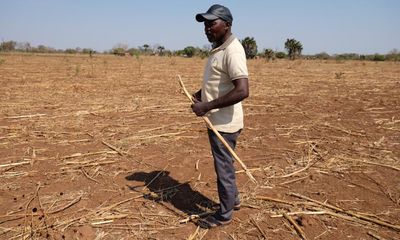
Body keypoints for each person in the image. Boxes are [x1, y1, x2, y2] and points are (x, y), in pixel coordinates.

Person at [192, 4, 249, 229]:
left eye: (212, 23)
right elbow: (220, 83)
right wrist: (201, 94)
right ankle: (233, 200)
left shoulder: (232, 51)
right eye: (205, 24)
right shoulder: (219, 47)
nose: (207, 28)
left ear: (227, 24)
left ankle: (224, 215)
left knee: (223, 168)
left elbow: (242, 90)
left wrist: (207, 105)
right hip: (218, 119)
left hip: (224, 124)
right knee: (226, 164)